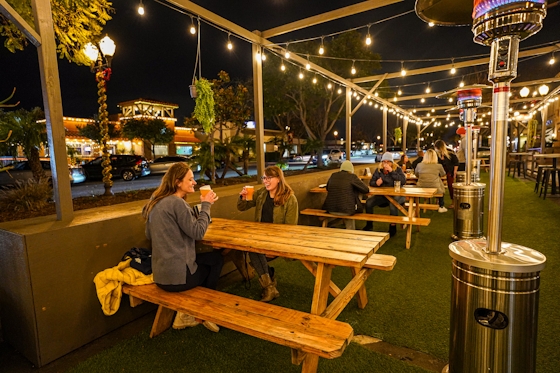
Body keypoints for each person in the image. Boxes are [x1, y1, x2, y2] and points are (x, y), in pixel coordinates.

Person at [143, 162, 223, 332]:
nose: (194, 182)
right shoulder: (177, 203)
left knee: (210, 259)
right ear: (178, 182)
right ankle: (201, 313)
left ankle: (187, 312)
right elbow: (198, 233)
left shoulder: (154, 201)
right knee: (216, 259)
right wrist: (206, 205)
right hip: (179, 279)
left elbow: (149, 235)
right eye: (191, 179)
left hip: (160, 276)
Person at [237, 166, 298, 302]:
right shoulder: (261, 194)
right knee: (252, 250)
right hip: (260, 238)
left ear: (278, 179)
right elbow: (242, 207)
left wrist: (275, 245)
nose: (265, 181)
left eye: (269, 178)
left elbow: (290, 228)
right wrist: (242, 196)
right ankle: (269, 286)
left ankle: (268, 283)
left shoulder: (290, 198)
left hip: (278, 241)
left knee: (254, 253)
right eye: (264, 178)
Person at [363, 152, 407, 236]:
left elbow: (403, 181)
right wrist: (376, 183)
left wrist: (391, 171)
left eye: (388, 162)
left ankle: (392, 227)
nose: (386, 164)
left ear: (391, 162)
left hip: (396, 195)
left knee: (393, 204)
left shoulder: (397, 169)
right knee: (369, 202)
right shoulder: (379, 170)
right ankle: (369, 224)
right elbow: (371, 182)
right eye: (384, 162)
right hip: (382, 196)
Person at [322, 160, 369, 230]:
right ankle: (351, 230)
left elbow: (328, 188)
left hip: (331, 209)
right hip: (347, 210)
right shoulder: (352, 177)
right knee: (354, 195)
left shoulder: (333, 175)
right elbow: (366, 190)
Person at [434, 139, 459, 208]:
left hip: (449, 170)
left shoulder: (450, 152)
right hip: (440, 171)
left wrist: (454, 172)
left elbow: (456, 162)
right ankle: (438, 200)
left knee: (451, 186)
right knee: (438, 185)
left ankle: (453, 202)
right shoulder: (437, 154)